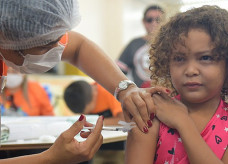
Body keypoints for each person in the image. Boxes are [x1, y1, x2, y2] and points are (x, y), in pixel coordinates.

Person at [0, 0, 165, 163]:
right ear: (6, 36)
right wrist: (48, 159)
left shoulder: (17, 38)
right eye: (47, 45)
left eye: (60, 38)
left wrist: (125, 88)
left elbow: (78, 48)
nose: (59, 48)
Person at [125, 5, 228, 163]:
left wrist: (183, 122)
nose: (190, 70)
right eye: (179, 59)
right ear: (166, 63)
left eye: (205, 58)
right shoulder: (151, 115)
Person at [117, 5, 165, 88]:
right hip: (140, 97)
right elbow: (118, 71)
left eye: (158, 20)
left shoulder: (171, 44)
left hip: (168, 96)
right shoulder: (134, 44)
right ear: (143, 21)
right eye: (149, 20)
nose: (154, 23)